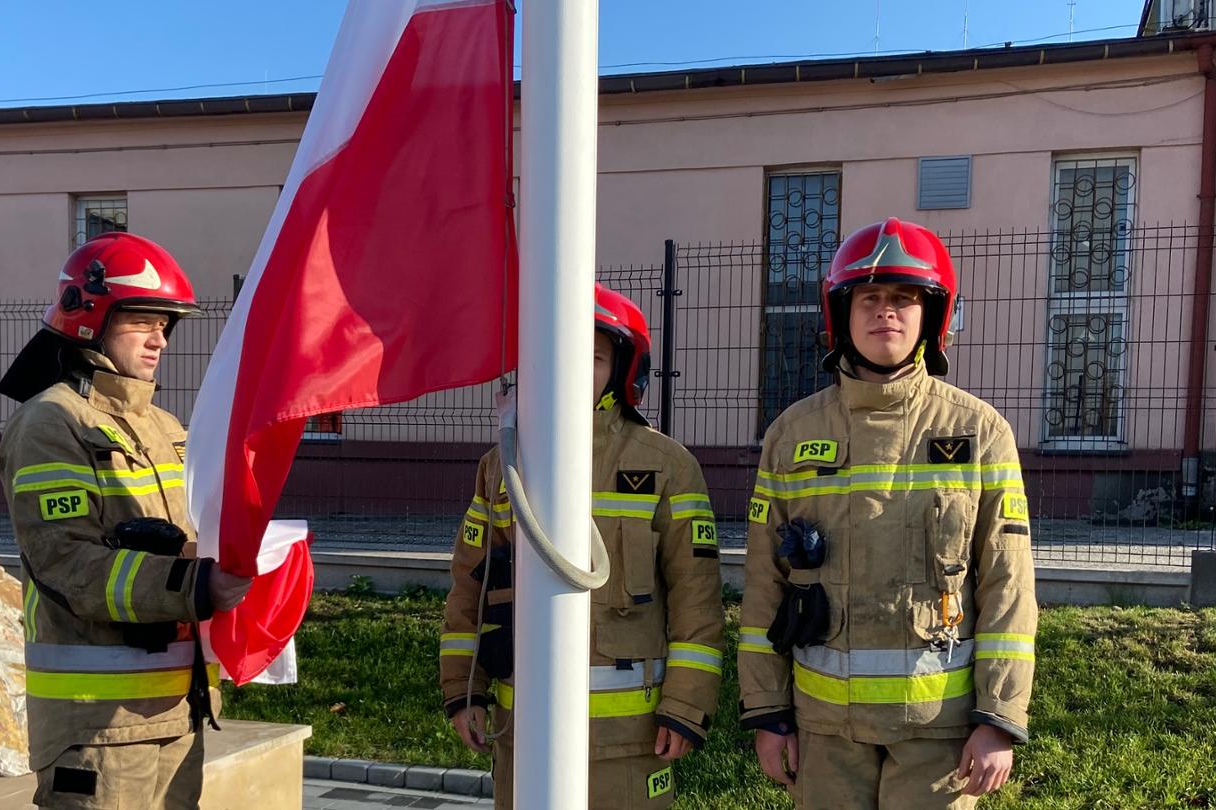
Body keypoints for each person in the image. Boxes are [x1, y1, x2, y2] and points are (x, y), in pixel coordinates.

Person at [737, 218, 1037, 809]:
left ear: (932, 316)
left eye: (904, 299)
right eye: (869, 298)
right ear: (841, 315)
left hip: (939, 736)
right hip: (825, 732)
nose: (886, 313)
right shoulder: (791, 436)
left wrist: (998, 717)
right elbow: (762, 585)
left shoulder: (978, 431)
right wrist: (769, 713)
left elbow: (1008, 583)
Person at [439, 285, 725, 809]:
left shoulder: (668, 466)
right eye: (557, 358)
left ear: (620, 371)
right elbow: (469, 589)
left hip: (631, 737)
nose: (572, 372)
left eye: (592, 358)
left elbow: (696, 599)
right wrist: (464, 691)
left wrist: (685, 705)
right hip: (524, 725)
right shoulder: (500, 466)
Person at [0, 232, 253, 809]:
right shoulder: (51, 424)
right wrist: (197, 585)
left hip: (177, 711)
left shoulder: (167, 428)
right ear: (89, 320)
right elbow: (66, 562)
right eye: (142, 320)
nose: (160, 338)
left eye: (166, 323)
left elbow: (192, 543)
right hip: (96, 727)